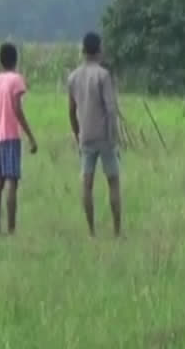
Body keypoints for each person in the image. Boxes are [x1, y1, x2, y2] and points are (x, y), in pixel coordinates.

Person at [67, 32, 122, 237]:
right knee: (113, 181)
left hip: (86, 137)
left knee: (87, 185)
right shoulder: (103, 75)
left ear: (83, 51)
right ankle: (117, 231)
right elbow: (110, 109)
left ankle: (91, 232)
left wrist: (77, 134)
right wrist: (113, 136)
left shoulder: (73, 77)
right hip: (104, 137)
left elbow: (71, 111)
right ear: (99, 50)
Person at [0, 42, 38, 235]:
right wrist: (31, 137)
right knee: (12, 182)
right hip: (12, 137)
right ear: (16, 59)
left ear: (0, 60)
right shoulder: (16, 80)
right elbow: (16, 108)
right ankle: (11, 229)